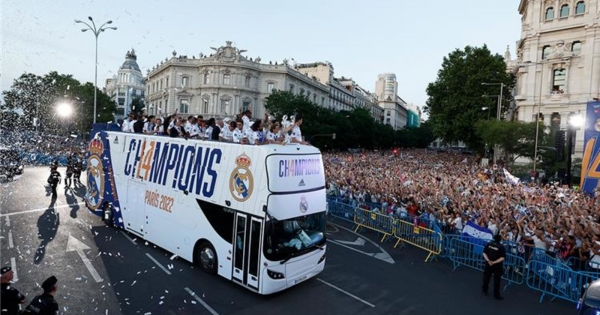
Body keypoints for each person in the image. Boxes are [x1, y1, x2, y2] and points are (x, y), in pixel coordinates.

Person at [482, 234, 506, 300]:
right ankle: (496, 295)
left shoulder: (489, 244)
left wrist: (488, 261)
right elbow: (502, 258)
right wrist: (494, 262)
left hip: (488, 264)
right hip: (497, 266)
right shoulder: (501, 247)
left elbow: (484, 253)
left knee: (486, 277)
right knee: (497, 280)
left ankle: (484, 290)